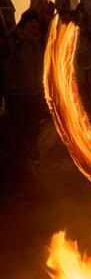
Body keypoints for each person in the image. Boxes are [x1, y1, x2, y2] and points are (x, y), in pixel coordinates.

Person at [4, 11, 46, 173]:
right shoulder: (15, 41)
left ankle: (28, 160)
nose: (34, 25)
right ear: (24, 23)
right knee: (20, 128)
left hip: (34, 93)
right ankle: (20, 162)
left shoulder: (40, 41)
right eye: (31, 22)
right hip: (17, 93)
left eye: (37, 22)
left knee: (32, 127)